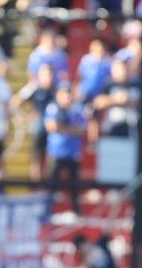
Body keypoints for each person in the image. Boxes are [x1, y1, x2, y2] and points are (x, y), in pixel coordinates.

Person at [44, 81, 86, 216]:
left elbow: (82, 130)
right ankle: (48, 212)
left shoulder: (77, 109)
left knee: (75, 185)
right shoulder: (53, 108)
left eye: (68, 93)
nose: (67, 97)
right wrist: (69, 129)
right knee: (51, 185)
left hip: (72, 152)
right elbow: (51, 126)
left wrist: (62, 128)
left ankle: (76, 212)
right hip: (56, 152)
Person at [12, 63, 55, 180]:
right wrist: (26, 116)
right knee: (36, 157)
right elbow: (15, 102)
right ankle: (35, 181)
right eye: (45, 74)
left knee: (51, 159)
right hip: (39, 128)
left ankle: (48, 184)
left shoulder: (56, 89)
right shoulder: (34, 88)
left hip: (54, 129)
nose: (48, 77)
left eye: (50, 74)